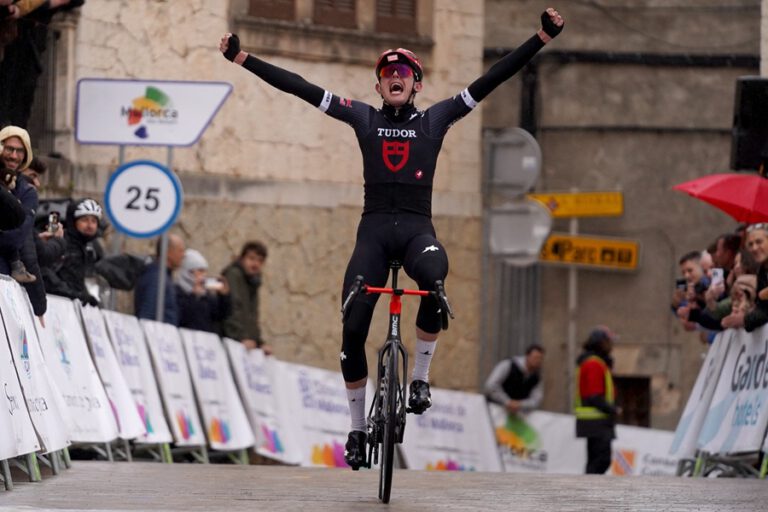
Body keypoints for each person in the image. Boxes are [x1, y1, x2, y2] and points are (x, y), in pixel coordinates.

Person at [220, 7, 564, 469]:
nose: (395, 77)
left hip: (418, 231)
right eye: (387, 74)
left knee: (435, 281)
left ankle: (419, 377)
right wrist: (243, 58)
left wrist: (541, 37)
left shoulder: (436, 120)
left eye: (404, 72)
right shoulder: (363, 118)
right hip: (375, 235)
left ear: (416, 84)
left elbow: (492, 78)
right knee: (352, 329)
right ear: (378, 87)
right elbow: (300, 87)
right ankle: (357, 429)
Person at [0, 125, 46, 317]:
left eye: (19, 151)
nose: (13, 156)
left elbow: (17, 239)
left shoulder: (27, 192)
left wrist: (39, 305)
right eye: (9, 149)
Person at [575, 326, 619, 475]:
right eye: (609, 341)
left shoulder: (596, 362)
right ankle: (588, 488)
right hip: (596, 422)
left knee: (596, 461)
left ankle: (589, 487)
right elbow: (594, 396)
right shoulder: (594, 364)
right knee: (600, 461)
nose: (612, 346)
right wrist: (613, 409)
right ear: (601, 342)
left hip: (595, 422)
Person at [43, 198, 104, 306]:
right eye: (84, 220)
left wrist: (86, 297)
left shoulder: (92, 249)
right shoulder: (61, 242)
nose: (90, 225)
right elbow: (45, 273)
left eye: (94, 221)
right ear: (73, 222)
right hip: (53, 303)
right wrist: (72, 294)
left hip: (74, 307)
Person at [221, 241, 271, 354]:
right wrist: (240, 338)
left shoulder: (253, 282)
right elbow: (232, 310)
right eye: (251, 258)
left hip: (246, 346)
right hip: (231, 344)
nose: (255, 264)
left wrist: (259, 343)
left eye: (260, 260)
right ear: (242, 259)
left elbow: (251, 319)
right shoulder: (234, 275)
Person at [722, 223, 768, 332]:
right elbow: (763, 309)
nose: (754, 248)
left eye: (759, 242)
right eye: (750, 244)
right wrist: (744, 318)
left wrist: (744, 320)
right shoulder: (762, 272)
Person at [175, 248, 231, 333]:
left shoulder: (206, 296)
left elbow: (221, 315)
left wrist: (224, 297)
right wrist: (194, 297)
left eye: (205, 271)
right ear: (189, 272)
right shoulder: (178, 291)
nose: (203, 275)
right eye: (200, 271)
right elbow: (182, 317)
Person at [134, 233, 185, 325]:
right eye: (180, 251)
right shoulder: (156, 279)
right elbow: (147, 314)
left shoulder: (164, 277)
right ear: (168, 252)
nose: (183, 255)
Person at [484, 344, 545, 415]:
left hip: (515, 416)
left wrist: (520, 404)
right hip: (493, 410)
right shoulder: (508, 364)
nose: (538, 361)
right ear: (527, 356)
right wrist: (507, 401)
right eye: (535, 357)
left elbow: (536, 400)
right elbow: (490, 385)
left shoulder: (537, 378)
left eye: (540, 358)